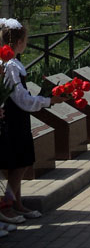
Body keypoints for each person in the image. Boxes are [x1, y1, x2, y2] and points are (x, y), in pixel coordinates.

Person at [0, 18, 65, 223]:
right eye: (25, 39)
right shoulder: (9, 66)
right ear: (18, 42)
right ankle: (8, 205)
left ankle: (17, 203)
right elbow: (20, 97)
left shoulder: (14, 63)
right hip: (12, 116)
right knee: (18, 165)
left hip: (18, 116)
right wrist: (47, 100)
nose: (26, 43)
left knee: (21, 161)